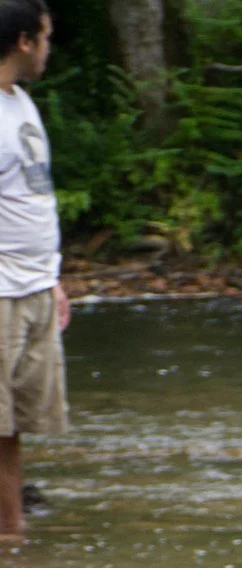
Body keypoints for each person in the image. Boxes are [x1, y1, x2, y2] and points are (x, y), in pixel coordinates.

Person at [0, 0, 64, 539]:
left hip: (35, 282)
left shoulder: (20, 102)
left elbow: (29, 198)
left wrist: (54, 277)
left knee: (14, 425)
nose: (48, 47)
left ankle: (12, 535)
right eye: (45, 36)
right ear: (24, 41)